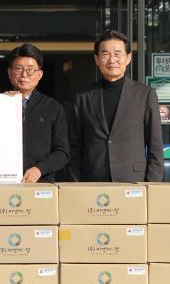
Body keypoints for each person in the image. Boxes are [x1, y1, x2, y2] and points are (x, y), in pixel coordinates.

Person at [69, 30, 164, 182]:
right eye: (105, 54)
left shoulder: (145, 95)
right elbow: (74, 146)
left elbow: (156, 146)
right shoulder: (83, 97)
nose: (112, 60)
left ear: (128, 58)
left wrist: (151, 185)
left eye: (118, 54)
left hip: (134, 181)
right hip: (92, 180)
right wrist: (76, 183)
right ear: (96, 59)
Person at [7, 44, 70, 183]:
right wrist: (1, 103)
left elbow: (62, 152)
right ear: (9, 72)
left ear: (39, 75)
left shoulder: (53, 107)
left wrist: (40, 169)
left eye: (30, 70)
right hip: (3, 183)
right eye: (18, 68)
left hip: (41, 184)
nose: (24, 74)